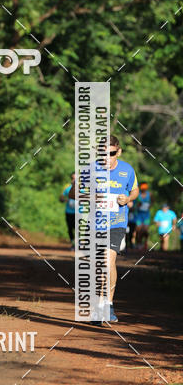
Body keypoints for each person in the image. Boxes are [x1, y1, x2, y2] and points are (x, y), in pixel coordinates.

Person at [70, 134, 138, 322]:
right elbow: (73, 193)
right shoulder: (90, 169)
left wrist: (128, 199)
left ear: (119, 152)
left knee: (108, 261)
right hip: (95, 224)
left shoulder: (127, 170)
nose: (107, 157)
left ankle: (108, 306)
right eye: (103, 153)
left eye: (111, 153)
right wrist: (91, 198)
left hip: (116, 223)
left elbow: (134, 190)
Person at [59, 172, 76, 249]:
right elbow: (61, 198)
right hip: (69, 212)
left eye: (76, 178)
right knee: (70, 229)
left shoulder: (83, 188)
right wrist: (66, 200)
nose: (74, 180)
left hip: (80, 213)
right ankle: (73, 243)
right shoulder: (67, 188)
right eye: (73, 178)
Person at [134, 181, 151, 251]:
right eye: (142, 187)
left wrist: (149, 206)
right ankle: (138, 244)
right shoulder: (137, 194)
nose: (144, 189)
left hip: (146, 215)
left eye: (145, 187)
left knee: (145, 230)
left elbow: (152, 201)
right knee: (139, 229)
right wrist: (137, 206)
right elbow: (134, 204)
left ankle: (145, 243)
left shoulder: (149, 194)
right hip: (139, 214)